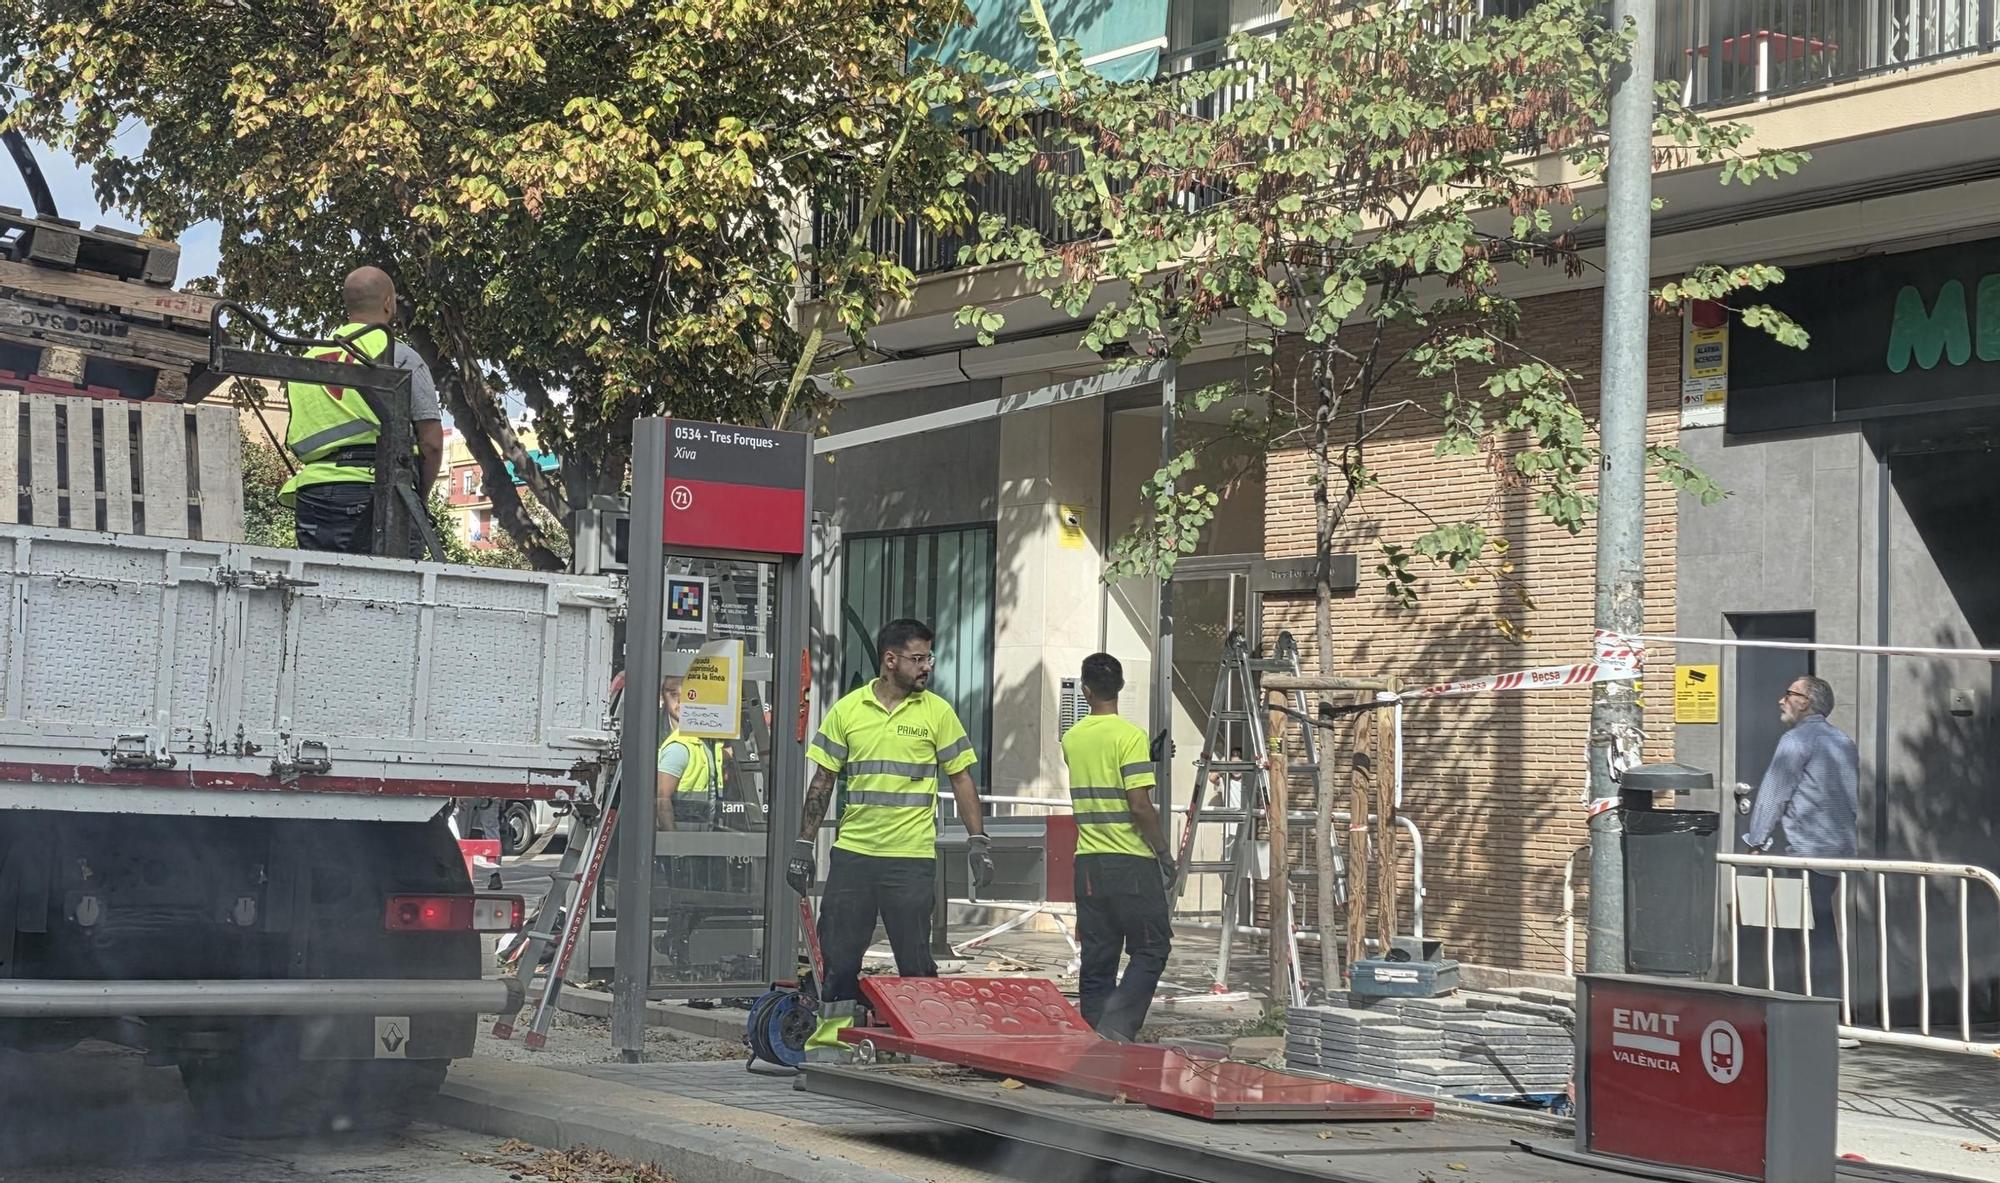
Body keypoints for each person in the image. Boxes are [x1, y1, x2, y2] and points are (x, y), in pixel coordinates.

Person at [787, 618, 992, 1051]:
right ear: (890, 660)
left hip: (911, 860)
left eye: (928, 658)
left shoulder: (937, 712)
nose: (927, 667)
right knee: (839, 956)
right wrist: (804, 845)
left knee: (915, 961)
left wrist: (978, 841)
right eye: (918, 658)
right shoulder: (848, 710)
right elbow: (822, 781)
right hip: (854, 856)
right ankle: (831, 1043)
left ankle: (924, 1044)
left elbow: (962, 779)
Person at [281, 266, 445, 554]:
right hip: (376, 490)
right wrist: (419, 497)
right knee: (390, 591)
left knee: (318, 590)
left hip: (314, 494)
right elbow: (431, 442)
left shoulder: (311, 357)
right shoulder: (397, 353)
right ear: (388, 302)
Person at [1061, 653, 1175, 1040]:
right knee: (1151, 947)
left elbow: (1099, 771)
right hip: (1131, 863)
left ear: (1085, 690)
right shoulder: (1130, 737)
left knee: (1098, 955)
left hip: (1089, 863)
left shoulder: (1071, 738)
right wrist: (1162, 851)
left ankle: (1093, 1033)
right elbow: (1139, 805)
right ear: (1122, 687)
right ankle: (1117, 1025)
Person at [1743, 674, 1858, 1004]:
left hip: (1803, 853)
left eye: (1788, 694)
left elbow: (1774, 793)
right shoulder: (1842, 741)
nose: (1782, 700)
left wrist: (1756, 840)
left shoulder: (1796, 740)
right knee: (1820, 929)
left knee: (1799, 936)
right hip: (1836, 853)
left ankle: (1807, 1008)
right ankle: (1828, 1007)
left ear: (1804, 703)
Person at [656, 675, 722, 832]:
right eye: (673, 694)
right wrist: (674, 846)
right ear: (662, 697)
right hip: (684, 841)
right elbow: (661, 798)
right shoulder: (678, 747)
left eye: (688, 694)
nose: (681, 702)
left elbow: (718, 756)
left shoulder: (703, 741)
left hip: (700, 838)